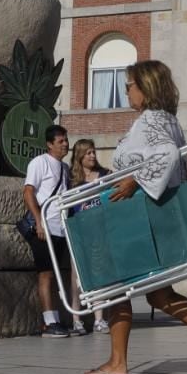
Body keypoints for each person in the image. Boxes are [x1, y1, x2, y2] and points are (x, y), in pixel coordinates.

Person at [82, 60, 187, 374]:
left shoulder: (151, 121)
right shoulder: (167, 120)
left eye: (129, 84)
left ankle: (121, 363)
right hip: (150, 216)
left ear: (145, 88)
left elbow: (168, 155)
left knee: (121, 288)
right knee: (155, 294)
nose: (126, 91)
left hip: (139, 219)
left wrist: (134, 181)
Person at [23, 125, 73, 338]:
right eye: (60, 141)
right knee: (45, 274)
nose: (65, 144)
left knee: (57, 276)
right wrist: (38, 221)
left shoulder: (64, 168)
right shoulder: (39, 162)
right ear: (49, 144)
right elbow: (28, 192)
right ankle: (48, 321)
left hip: (61, 228)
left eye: (66, 140)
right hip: (44, 227)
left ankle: (56, 318)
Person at [68, 138, 111, 335]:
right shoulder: (71, 179)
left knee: (98, 273)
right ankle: (76, 319)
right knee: (76, 277)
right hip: (78, 230)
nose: (92, 156)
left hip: (99, 229)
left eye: (93, 152)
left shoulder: (104, 174)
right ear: (79, 157)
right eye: (88, 153)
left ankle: (99, 319)